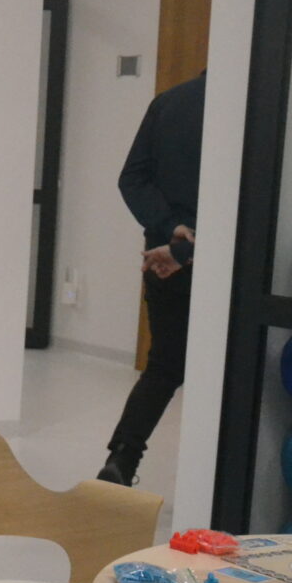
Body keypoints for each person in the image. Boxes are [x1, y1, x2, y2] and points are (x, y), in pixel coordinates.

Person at [99, 70, 204, 486]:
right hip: (220, 267)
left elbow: (132, 178)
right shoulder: (252, 109)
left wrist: (170, 229)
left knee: (162, 367)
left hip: (164, 258)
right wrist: (188, 247)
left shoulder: (169, 102)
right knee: (234, 373)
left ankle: (122, 459)